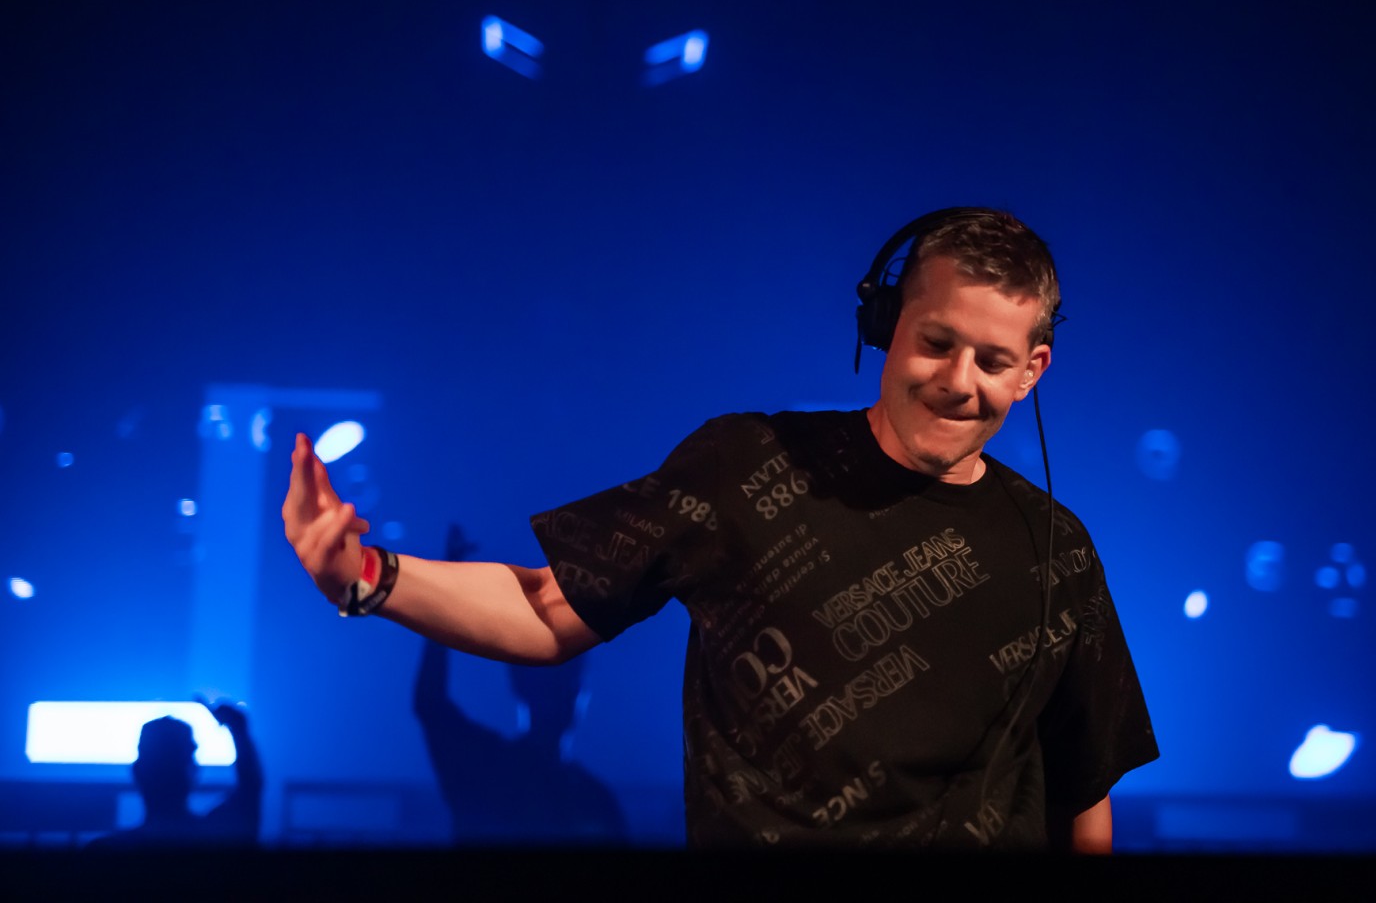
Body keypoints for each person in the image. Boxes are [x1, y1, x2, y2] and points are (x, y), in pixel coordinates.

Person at [283, 207, 1157, 852]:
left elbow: (1083, 793)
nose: (959, 381)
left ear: (1032, 371)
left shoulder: (1057, 549)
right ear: (886, 326)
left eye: (993, 361)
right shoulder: (748, 466)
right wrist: (367, 576)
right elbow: (547, 609)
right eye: (936, 342)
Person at [414, 524, 629, 846]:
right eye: (557, 680)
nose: (567, 693)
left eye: (572, 680)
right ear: (521, 684)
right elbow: (430, 704)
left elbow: (430, 705)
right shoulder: (489, 767)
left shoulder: (595, 799)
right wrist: (444, 590)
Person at [83, 699, 262, 849]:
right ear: (194, 770)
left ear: (136, 772)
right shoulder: (218, 840)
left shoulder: (105, 852)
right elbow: (250, 790)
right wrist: (238, 730)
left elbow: (250, 790)